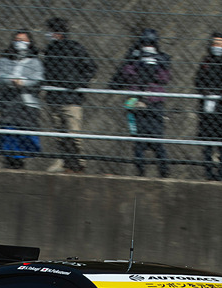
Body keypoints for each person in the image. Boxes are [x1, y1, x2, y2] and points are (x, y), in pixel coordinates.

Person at [109, 29, 172, 178]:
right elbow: (125, 75)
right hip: (136, 103)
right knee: (138, 140)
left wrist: (153, 65)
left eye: (150, 43)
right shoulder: (134, 58)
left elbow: (165, 78)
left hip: (155, 103)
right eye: (145, 43)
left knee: (157, 139)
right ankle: (140, 171)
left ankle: (164, 171)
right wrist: (138, 63)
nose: (147, 46)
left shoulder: (162, 58)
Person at [42, 17, 97, 174]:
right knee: (60, 134)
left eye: (51, 31)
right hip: (53, 98)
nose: (48, 34)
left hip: (71, 99)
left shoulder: (74, 48)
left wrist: (75, 84)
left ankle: (79, 164)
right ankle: (66, 163)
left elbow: (91, 68)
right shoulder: (49, 50)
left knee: (73, 133)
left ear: (58, 32)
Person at [0, 30, 44, 169]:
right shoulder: (4, 60)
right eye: (17, 40)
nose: (20, 43)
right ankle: (10, 159)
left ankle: (20, 159)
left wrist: (23, 82)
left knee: (25, 130)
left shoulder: (35, 62)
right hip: (8, 101)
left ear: (30, 43)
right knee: (8, 129)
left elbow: (38, 78)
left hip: (27, 102)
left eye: (24, 40)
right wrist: (9, 80)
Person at [193, 32, 222, 181]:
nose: (216, 46)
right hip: (208, 108)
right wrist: (205, 90)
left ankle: (221, 174)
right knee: (208, 144)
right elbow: (198, 80)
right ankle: (208, 173)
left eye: (220, 43)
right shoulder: (206, 61)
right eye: (214, 43)